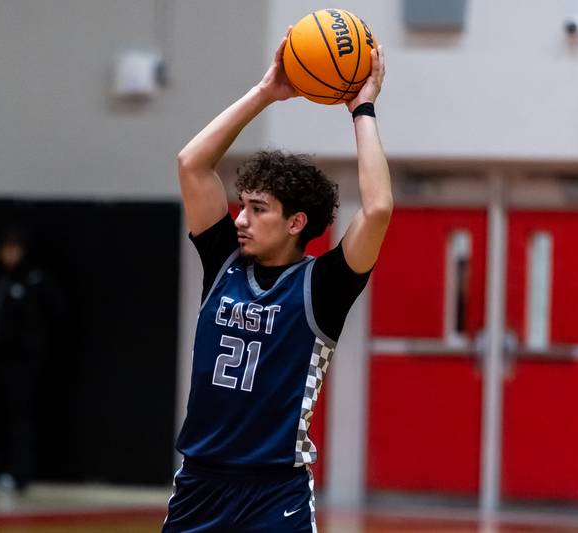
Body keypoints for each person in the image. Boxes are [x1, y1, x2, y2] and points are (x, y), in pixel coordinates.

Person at [165, 30, 391, 533]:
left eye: (258, 209)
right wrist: (266, 91)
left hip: (274, 493)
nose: (240, 218)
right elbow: (192, 163)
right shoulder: (223, 261)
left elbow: (376, 209)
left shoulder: (323, 286)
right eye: (242, 205)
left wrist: (363, 109)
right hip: (200, 483)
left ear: (296, 223)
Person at [0, 228, 61, 495]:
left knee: (19, 418)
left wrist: (30, 347)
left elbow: (51, 316)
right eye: (6, 249)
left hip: (20, 364)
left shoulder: (34, 280)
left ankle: (17, 474)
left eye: (15, 249)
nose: (10, 255)